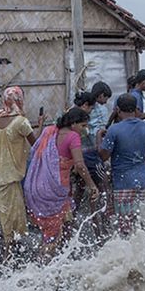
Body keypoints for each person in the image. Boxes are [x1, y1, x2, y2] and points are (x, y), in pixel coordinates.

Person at [25, 107, 99, 258]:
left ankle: (60, 257)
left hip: (37, 185)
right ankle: (44, 264)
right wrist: (92, 186)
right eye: (83, 125)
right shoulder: (73, 137)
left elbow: (34, 151)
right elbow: (80, 165)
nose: (85, 129)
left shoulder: (49, 131)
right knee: (52, 231)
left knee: (61, 223)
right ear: (73, 124)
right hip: (55, 188)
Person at [100, 93, 145, 231]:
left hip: (122, 184)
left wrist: (99, 139)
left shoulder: (114, 129)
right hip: (141, 182)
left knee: (124, 226)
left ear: (118, 110)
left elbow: (103, 156)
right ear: (136, 109)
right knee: (138, 223)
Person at [0, 86, 38, 260]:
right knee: (13, 215)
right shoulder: (21, 122)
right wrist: (41, 125)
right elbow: (35, 144)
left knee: (5, 213)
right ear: (19, 100)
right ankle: (9, 251)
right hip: (11, 175)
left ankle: (11, 248)